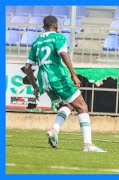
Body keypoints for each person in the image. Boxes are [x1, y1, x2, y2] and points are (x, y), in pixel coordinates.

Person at [25, 15, 105, 152]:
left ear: (44, 27)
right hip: (58, 78)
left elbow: (27, 67)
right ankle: (88, 145)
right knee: (82, 107)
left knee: (68, 104)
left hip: (45, 81)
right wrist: (74, 75)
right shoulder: (59, 37)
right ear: (56, 26)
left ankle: (54, 129)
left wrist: (35, 86)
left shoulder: (36, 42)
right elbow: (63, 54)